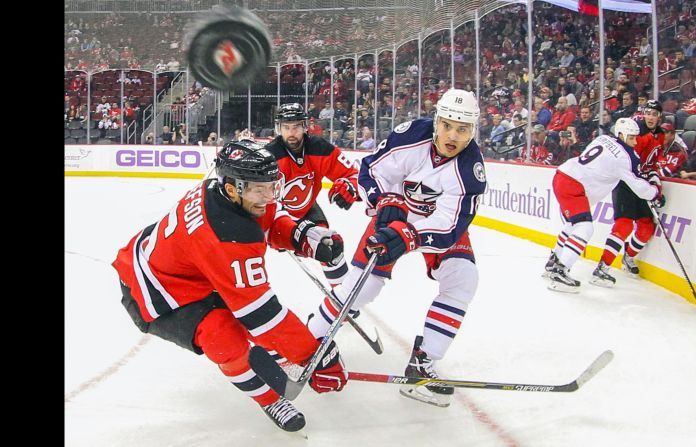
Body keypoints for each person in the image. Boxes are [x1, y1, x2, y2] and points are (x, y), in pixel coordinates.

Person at [111, 141, 349, 432]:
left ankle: (275, 356)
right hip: (155, 289)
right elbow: (262, 317)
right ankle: (269, 398)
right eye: (259, 190)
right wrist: (317, 357)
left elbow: (267, 217)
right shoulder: (224, 235)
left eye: (272, 186)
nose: (268, 196)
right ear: (231, 188)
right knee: (224, 338)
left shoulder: (231, 194)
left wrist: (303, 235)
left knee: (251, 319)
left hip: (190, 269)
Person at [306, 88, 487, 407]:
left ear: (473, 130)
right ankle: (308, 343)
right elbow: (372, 171)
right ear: (436, 122)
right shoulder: (411, 136)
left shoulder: (471, 171)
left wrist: (410, 235)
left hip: (429, 226)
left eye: (462, 129)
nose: (453, 135)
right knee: (362, 289)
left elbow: (449, 226)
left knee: (463, 278)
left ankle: (423, 364)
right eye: (447, 125)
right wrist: (378, 198)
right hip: (394, 214)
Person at [544, 118, 663, 292]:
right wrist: (656, 192)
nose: (635, 141)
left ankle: (553, 260)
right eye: (631, 138)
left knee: (572, 225)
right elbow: (640, 188)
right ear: (621, 135)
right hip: (574, 185)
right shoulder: (626, 157)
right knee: (585, 229)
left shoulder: (603, 138)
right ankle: (560, 271)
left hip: (563, 175)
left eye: (636, 137)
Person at [265, 103, 360, 288]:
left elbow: (353, 174)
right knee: (246, 248)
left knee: (330, 245)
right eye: (286, 127)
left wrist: (350, 185)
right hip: (276, 216)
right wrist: (279, 231)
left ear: (305, 126)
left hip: (307, 209)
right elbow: (258, 199)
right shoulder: (269, 156)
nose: (291, 132)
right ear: (279, 128)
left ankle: (343, 295)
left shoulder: (319, 148)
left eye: (296, 127)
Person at [593, 99, 666, 282]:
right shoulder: (636, 130)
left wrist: (655, 183)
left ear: (659, 117)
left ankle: (628, 255)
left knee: (646, 227)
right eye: (647, 113)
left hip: (641, 183)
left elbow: (654, 162)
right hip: (625, 182)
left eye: (654, 114)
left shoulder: (660, 135)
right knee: (624, 224)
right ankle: (603, 266)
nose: (650, 117)